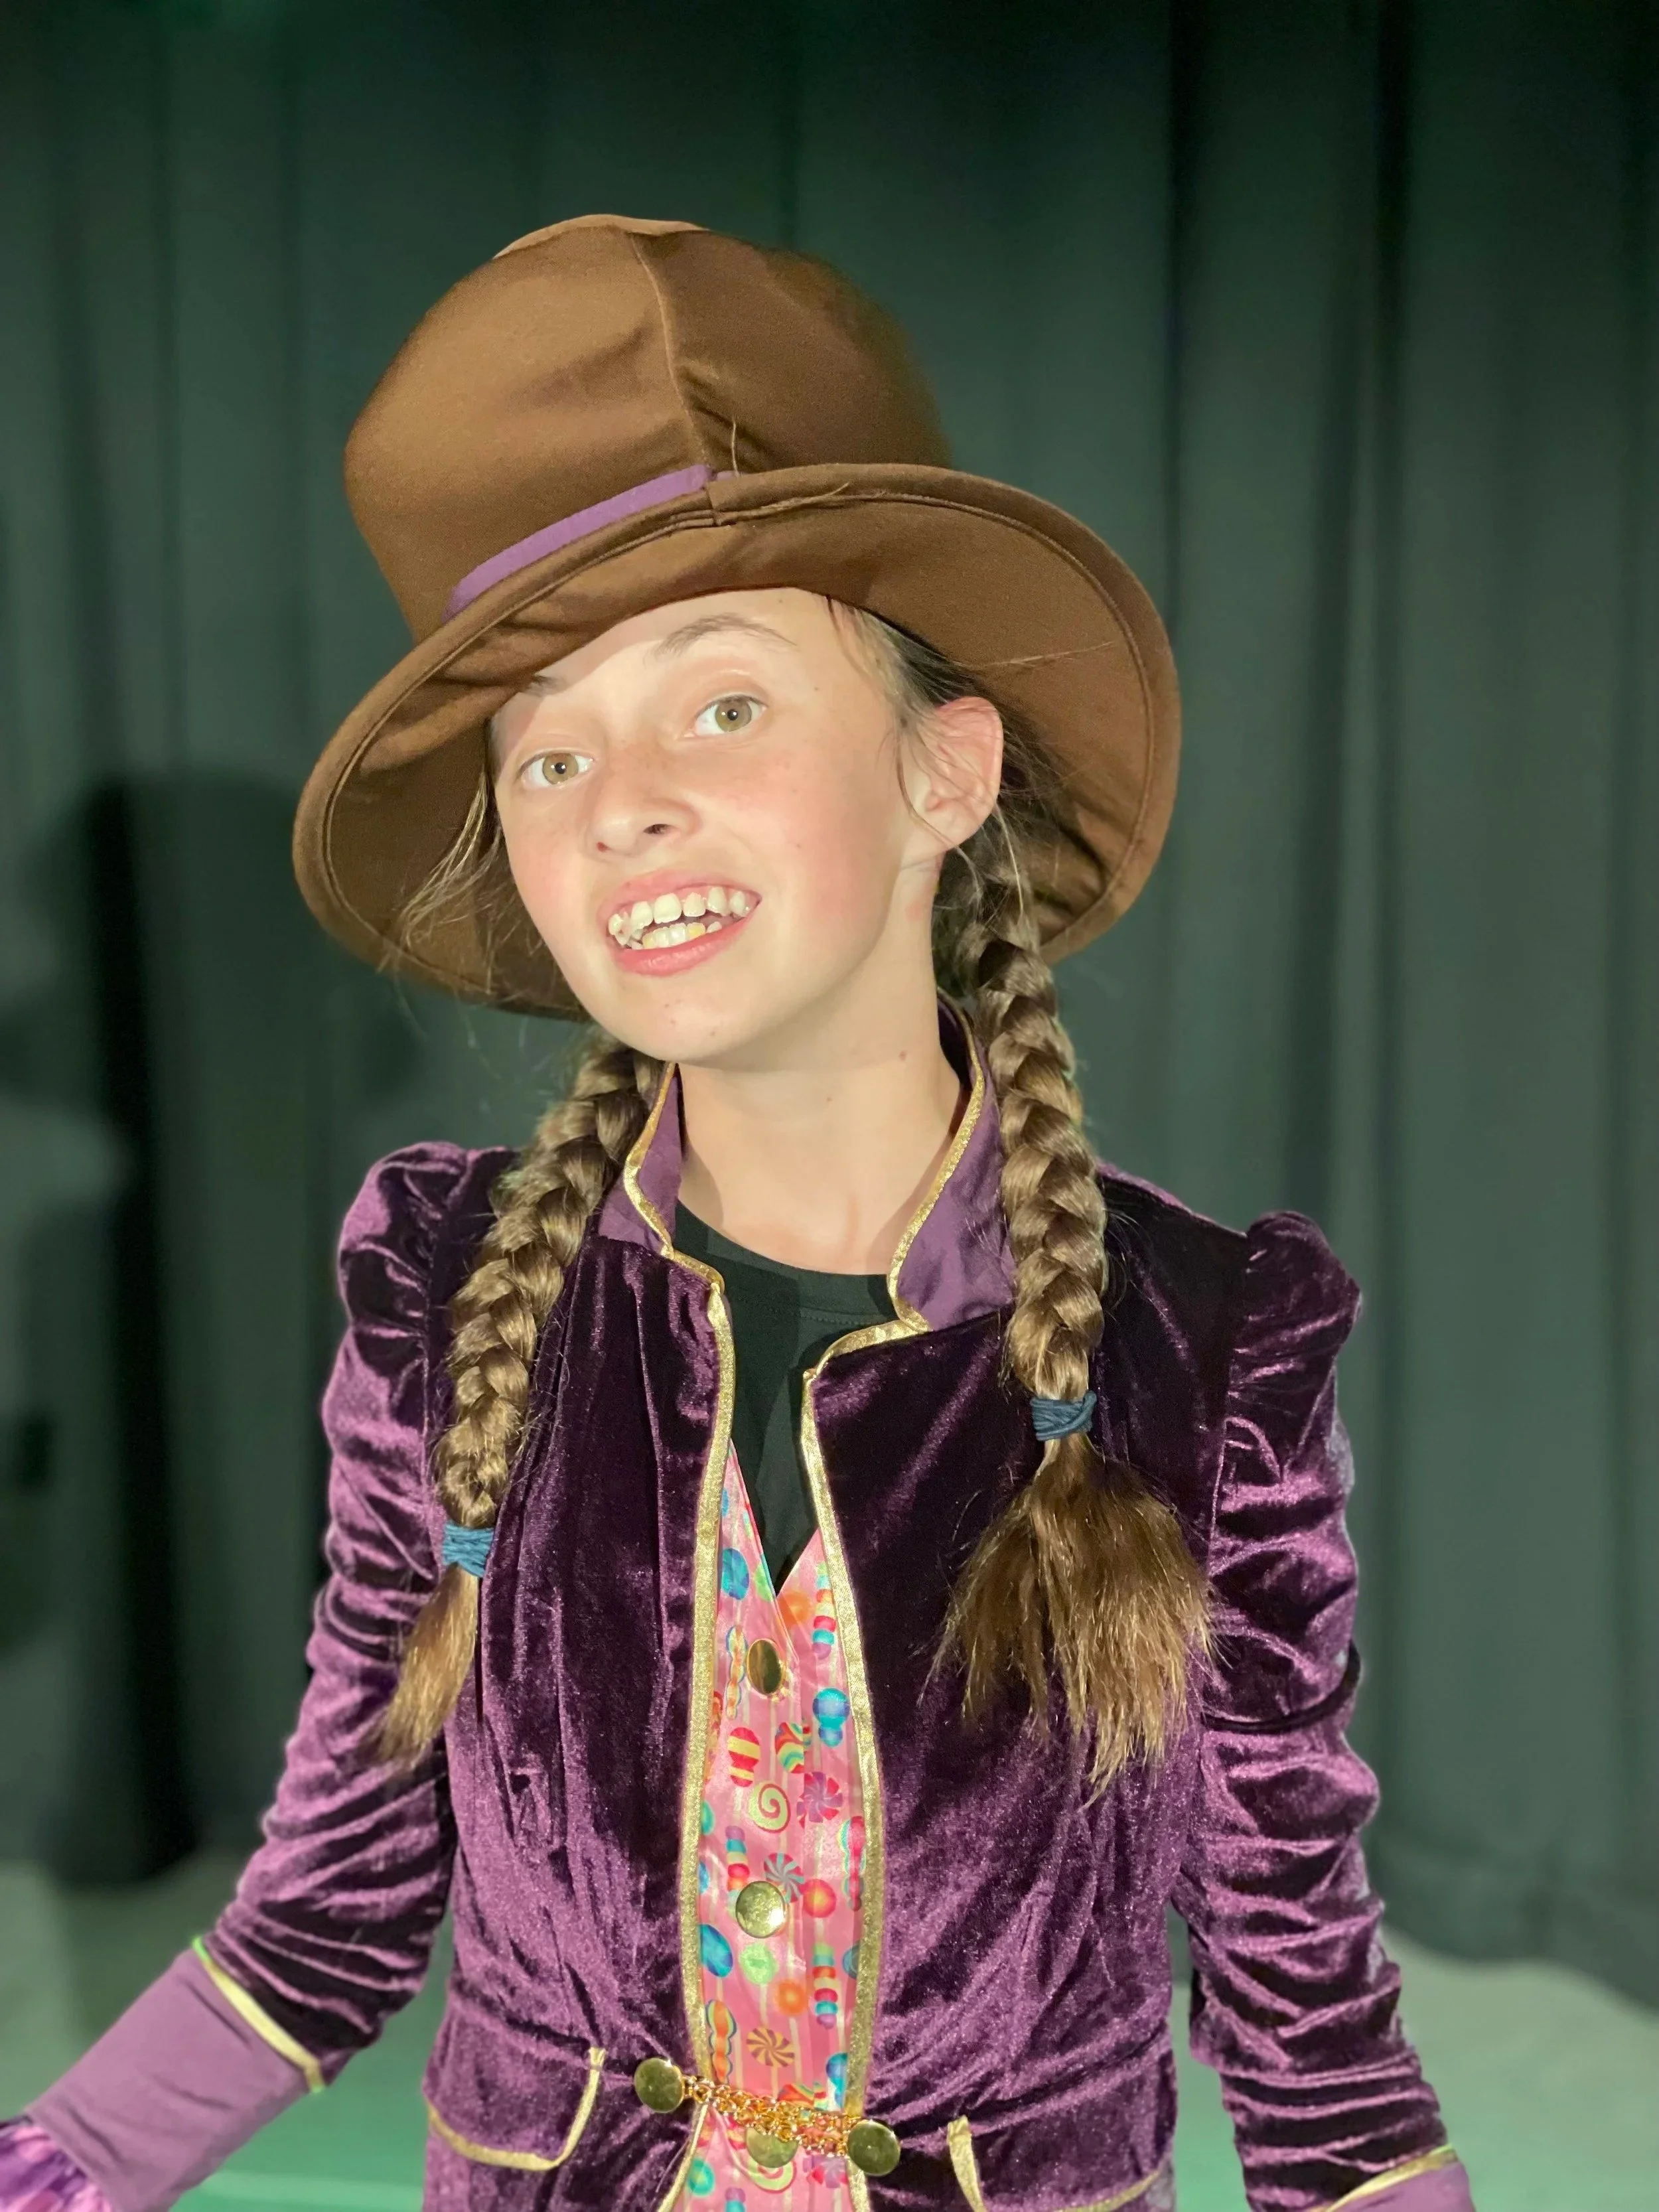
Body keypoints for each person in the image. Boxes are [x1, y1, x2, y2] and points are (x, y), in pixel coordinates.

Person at [0, 216, 1476, 2212]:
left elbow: (1305, 2028)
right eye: (546, 749)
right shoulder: (447, 1298)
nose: (617, 799)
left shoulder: (1204, 1349)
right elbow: (325, 1917)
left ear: (945, 768)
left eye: (720, 705)